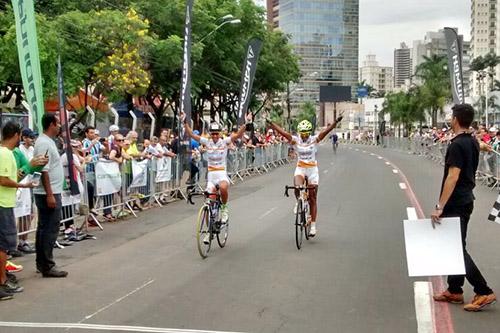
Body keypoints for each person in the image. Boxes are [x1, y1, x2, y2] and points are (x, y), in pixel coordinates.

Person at [431, 104, 496, 312]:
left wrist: (440, 206)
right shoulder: (472, 142)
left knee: (456, 249)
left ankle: (483, 290)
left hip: (456, 202)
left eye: (451, 116)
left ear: (456, 119)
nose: (450, 120)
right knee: (455, 244)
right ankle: (455, 289)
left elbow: (453, 176)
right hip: (467, 199)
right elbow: (478, 144)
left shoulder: (457, 145)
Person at [267, 116, 343, 237]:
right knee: (297, 186)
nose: (303, 136)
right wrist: (271, 123)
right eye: (302, 134)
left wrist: (335, 122)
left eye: (306, 134)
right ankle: (298, 202)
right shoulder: (296, 140)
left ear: (309, 133)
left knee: (313, 197)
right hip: (301, 168)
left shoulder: (314, 139)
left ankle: (313, 225)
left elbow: (326, 131)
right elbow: (283, 133)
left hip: (312, 169)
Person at [183, 114, 251, 243]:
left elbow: (237, 135)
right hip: (211, 176)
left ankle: (224, 208)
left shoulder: (224, 141)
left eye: (216, 134)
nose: (214, 136)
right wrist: (185, 122)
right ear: (210, 134)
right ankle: (210, 231)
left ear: (220, 134)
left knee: (224, 187)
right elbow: (191, 135)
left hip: (221, 173)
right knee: (209, 202)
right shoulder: (206, 141)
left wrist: (246, 123)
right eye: (212, 134)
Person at [0, 122, 36, 299]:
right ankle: (2, 281)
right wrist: (23, 184)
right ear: (16, 135)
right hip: (3, 203)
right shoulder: (5, 154)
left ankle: (3, 278)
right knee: (3, 245)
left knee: (4, 245)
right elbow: (4, 179)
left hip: (5, 202)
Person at [33, 113, 67, 278]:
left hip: (50, 191)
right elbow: (44, 171)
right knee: (49, 229)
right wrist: (50, 195)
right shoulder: (43, 143)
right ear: (52, 124)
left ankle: (42, 263)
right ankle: (47, 265)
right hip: (48, 192)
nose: (60, 126)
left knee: (44, 228)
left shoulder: (48, 142)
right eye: (58, 123)